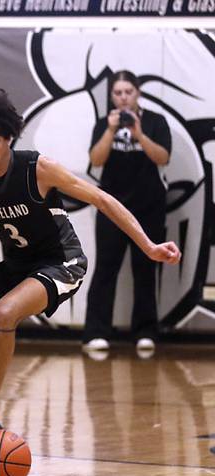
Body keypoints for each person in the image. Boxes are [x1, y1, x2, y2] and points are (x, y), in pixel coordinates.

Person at [0, 88, 181, 463]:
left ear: (9, 140)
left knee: (5, 314)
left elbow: (103, 200)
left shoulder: (38, 168)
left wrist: (148, 246)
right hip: (16, 266)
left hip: (60, 261)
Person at [83, 70, 172, 356]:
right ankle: (96, 333)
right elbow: (96, 160)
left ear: (137, 93)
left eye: (128, 92)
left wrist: (138, 133)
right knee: (106, 268)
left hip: (149, 206)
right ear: (112, 96)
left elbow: (163, 157)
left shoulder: (156, 122)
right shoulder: (103, 123)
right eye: (118, 93)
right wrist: (110, 130)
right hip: (112, 206)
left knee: (145, 268)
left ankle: (145, 332)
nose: (123, 98)